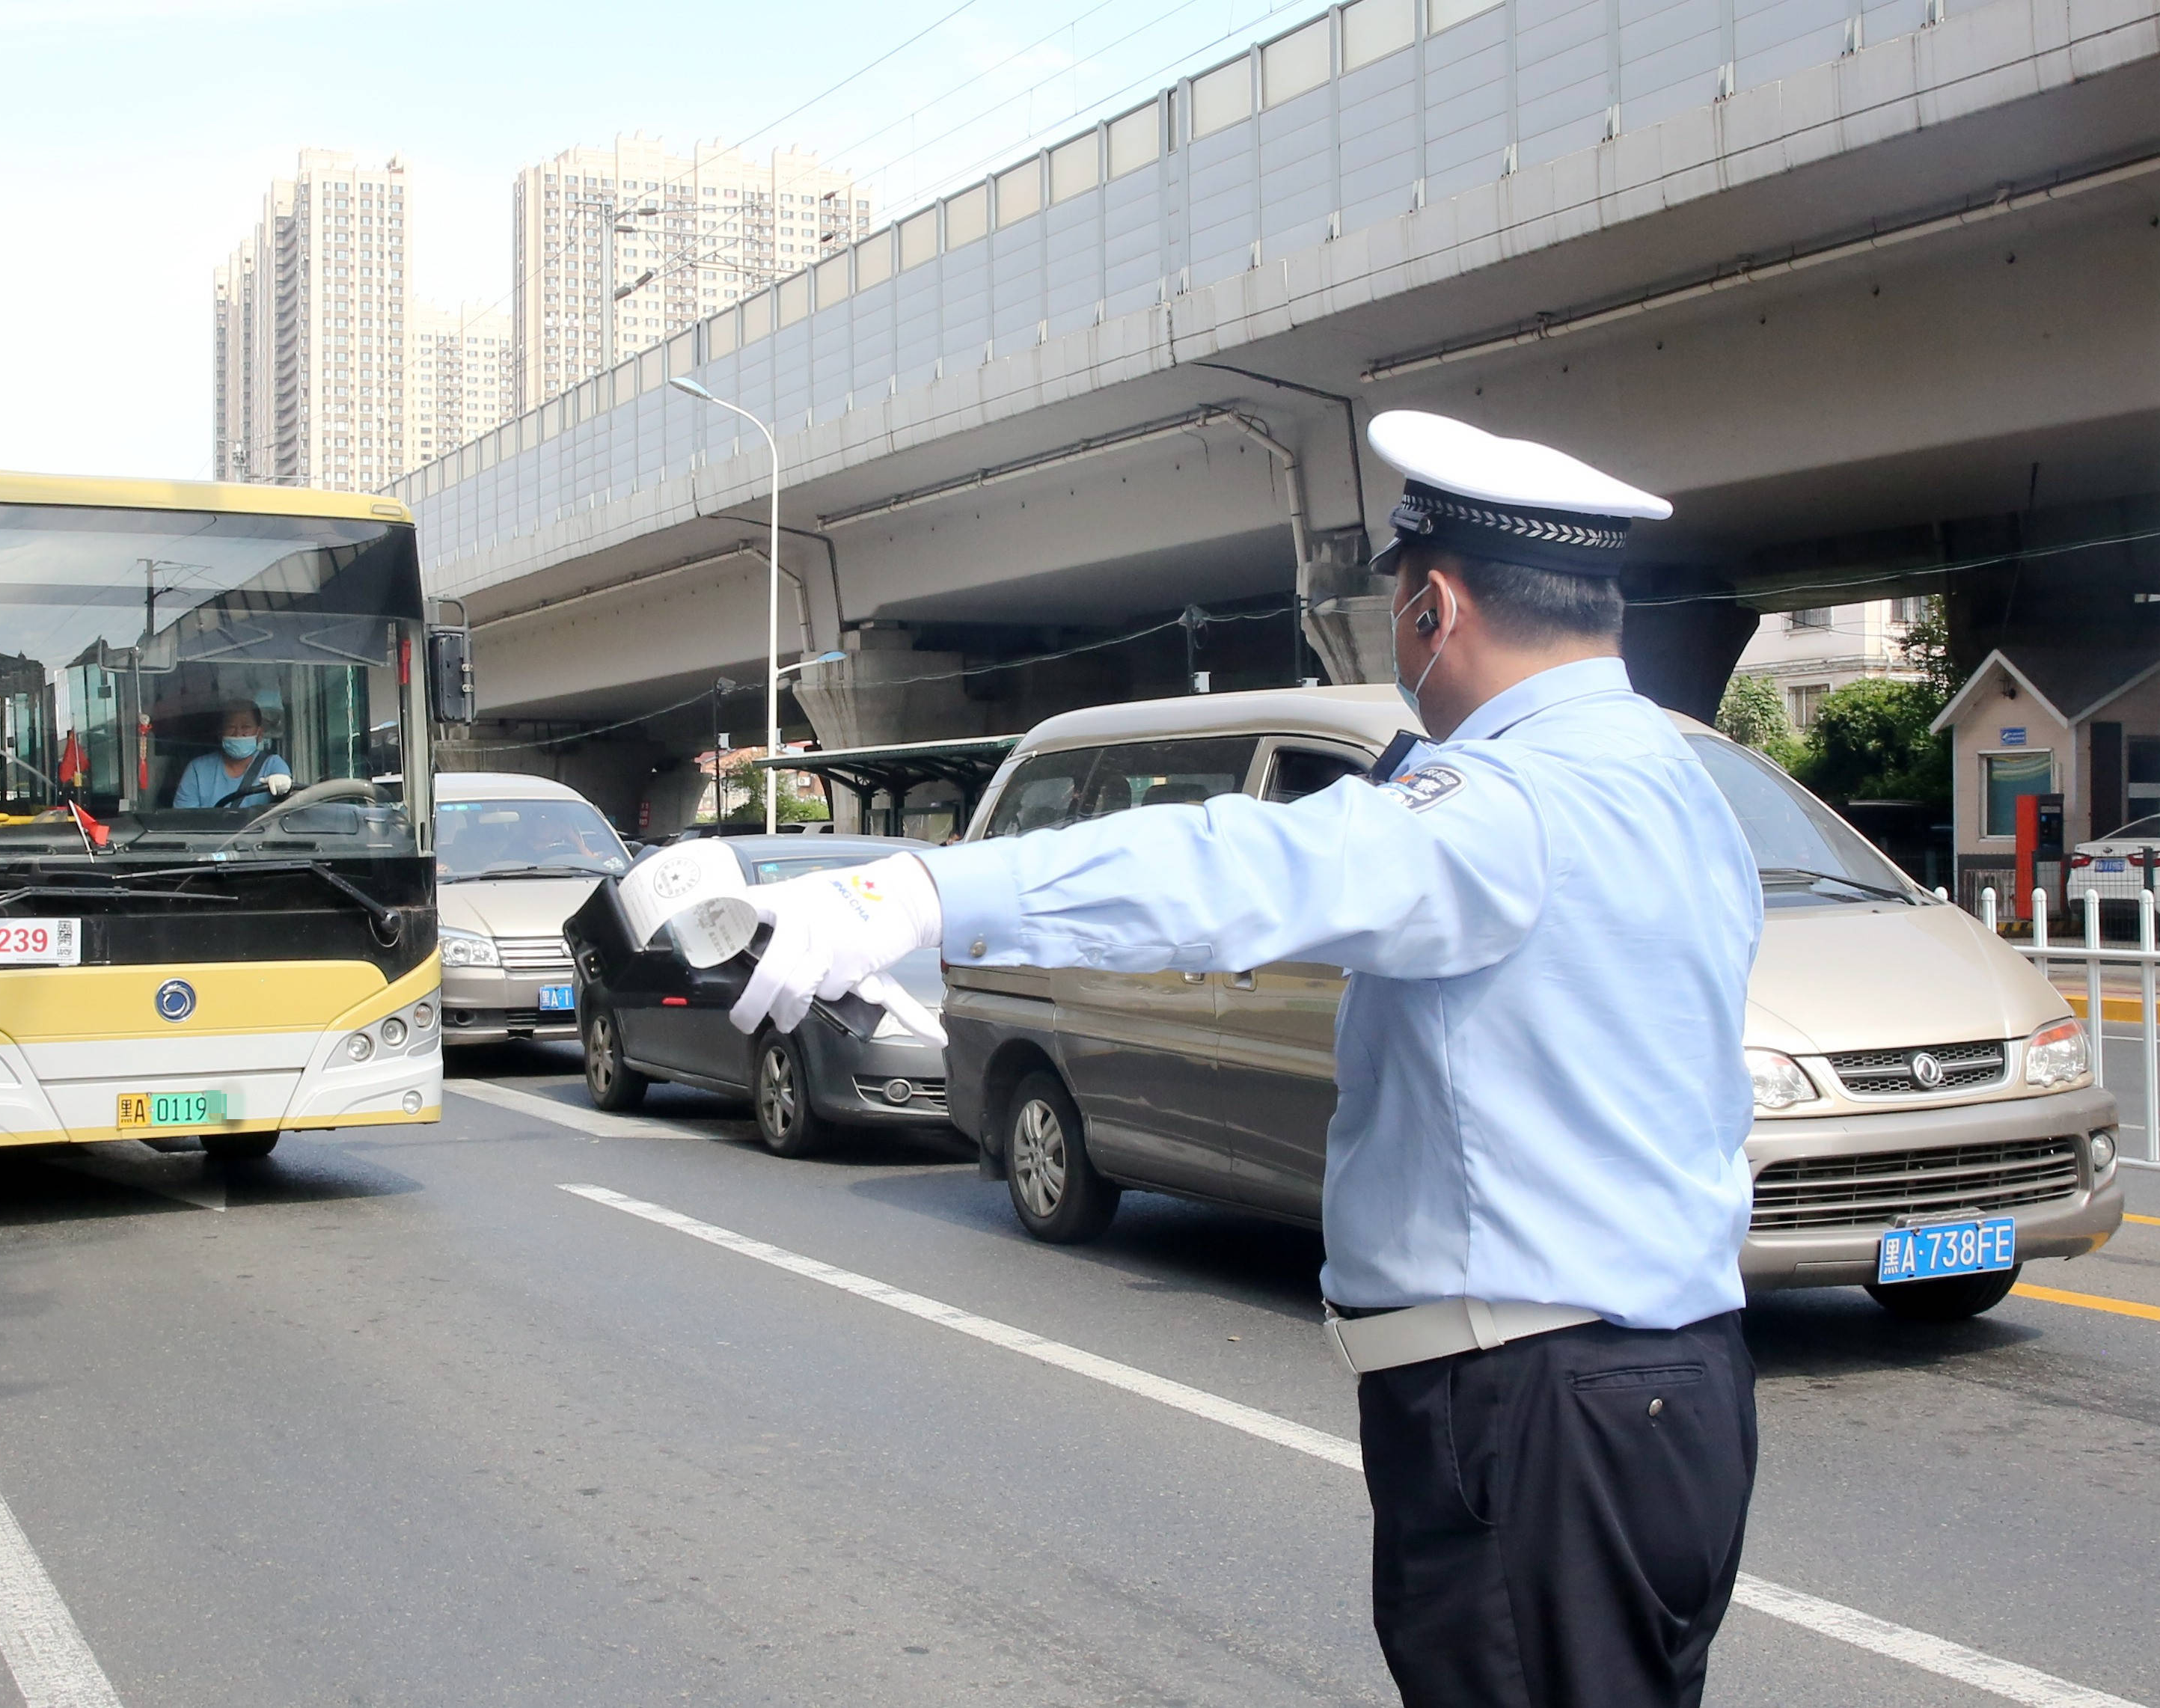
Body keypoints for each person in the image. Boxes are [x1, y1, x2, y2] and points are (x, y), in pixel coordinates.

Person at [726, 411, 1763, 1708]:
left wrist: (925, 890)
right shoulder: (1681, 789)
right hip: (1672, 1387)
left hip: (1533, 1406)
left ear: (1432, 605)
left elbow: (1235, 865)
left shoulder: (1505, 805)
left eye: (1394, 605)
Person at [173, 700, 290, 809]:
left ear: (259, 734)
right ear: (220, 732)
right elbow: (184, 819)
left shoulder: (273, 764)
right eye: (231, 727)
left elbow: (286, 808)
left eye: (246, 727)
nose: (238, 733)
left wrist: (284, 788)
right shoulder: (197, 769)